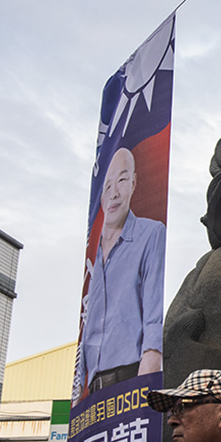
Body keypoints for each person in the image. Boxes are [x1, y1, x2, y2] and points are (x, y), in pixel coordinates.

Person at [77, 146, 166, 400]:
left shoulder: (150, 234)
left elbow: (153, 315)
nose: (114, 192)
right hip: (92, 388)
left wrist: (147, 378)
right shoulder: (91, 253)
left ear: (134, 182)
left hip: (129, 378)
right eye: (107, 186)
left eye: (122, 180)